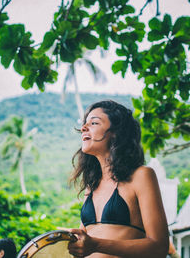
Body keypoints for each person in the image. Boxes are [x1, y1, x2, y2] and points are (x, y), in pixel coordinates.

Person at [68, 100, 169, 258]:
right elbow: (85, 241)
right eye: (84, 124)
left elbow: (159, 247)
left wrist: (96, 244)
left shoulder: (142, 176)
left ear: (116, 132)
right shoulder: (91, 186)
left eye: (94, 122)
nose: (84, 128)